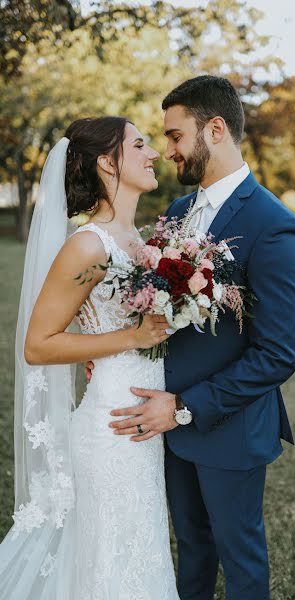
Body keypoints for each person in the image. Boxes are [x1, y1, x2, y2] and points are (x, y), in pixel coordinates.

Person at [102, 75, 295, 599]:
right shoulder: (175, 214)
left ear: (214, 129)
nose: (167, 150)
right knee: (191, 549)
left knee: (239, 557)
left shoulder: (275, 226)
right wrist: (114, 353)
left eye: (175, 136)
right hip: (166, 424)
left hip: (228, 429)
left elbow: (276, 355)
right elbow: (158, 314)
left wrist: (183, 407)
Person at [0, 116, 180, 599]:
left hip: (144, 424)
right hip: (111, 430)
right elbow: (38, 344)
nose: (154, 153)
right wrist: (129, 337)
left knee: (138, 557)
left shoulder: (140, 243)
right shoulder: (87, 245)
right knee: (110, 566)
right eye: (140, 144)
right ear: (107, 161)